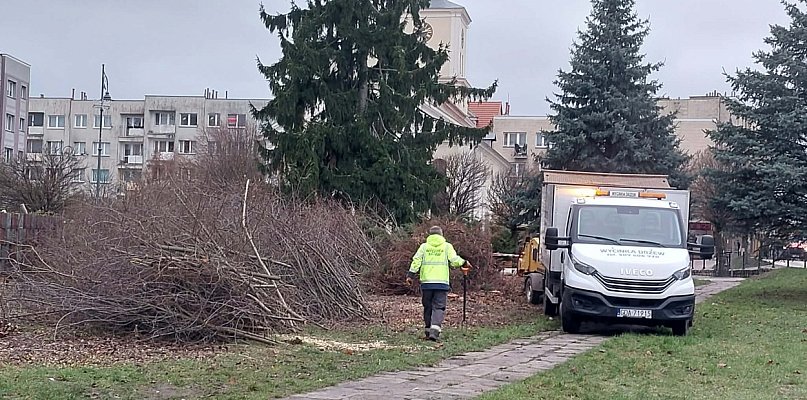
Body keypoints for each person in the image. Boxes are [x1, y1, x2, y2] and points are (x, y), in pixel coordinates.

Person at [406, 226, 472, 341]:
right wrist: (464, 262)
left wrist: (410, 275)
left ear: (430, 235)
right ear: (441, 235)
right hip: (441, 283)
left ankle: (427, 331)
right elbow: (454, 260)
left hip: (426, 283)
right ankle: (435, 331)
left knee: (427, 307)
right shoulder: (447, 246)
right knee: (439, 307)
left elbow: (416, 261)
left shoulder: (424, 247)